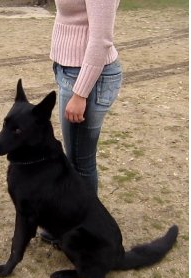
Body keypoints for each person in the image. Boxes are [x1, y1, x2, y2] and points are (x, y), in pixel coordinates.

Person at [40, 0, 123, 244]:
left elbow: (101, 40)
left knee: (80, 162)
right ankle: (73, 224)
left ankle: (85, 231)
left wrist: (80, 93)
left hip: (86, 78)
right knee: (74, 159)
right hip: (69, 71)